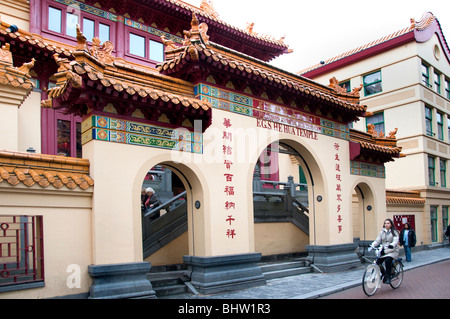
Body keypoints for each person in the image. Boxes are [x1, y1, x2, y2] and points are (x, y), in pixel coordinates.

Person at [370, 218, 400, 284]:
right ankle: (384, 273)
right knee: (377, 262)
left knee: (387, 260)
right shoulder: (382, 232)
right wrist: (373, 245)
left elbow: (395, 240)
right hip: (384, 250)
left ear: (391, 224)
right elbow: (378, 240)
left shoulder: (394, 232)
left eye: (388, 223)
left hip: (392, 250)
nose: (386, 225)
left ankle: (388, 276)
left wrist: (392, 245)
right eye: (385, 223)